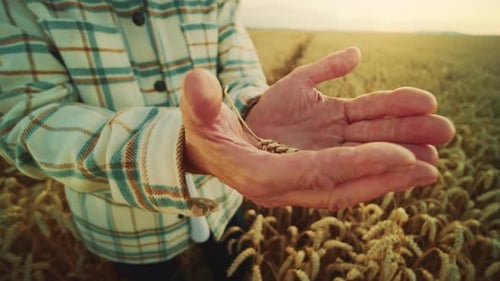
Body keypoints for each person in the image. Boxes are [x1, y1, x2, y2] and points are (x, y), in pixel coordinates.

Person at [0, 0, 455, 280]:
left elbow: (237, 71)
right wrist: (182, 148)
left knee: (237, 268)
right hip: (126, 229)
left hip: (228, 200)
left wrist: (250, 113)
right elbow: (25, 117)